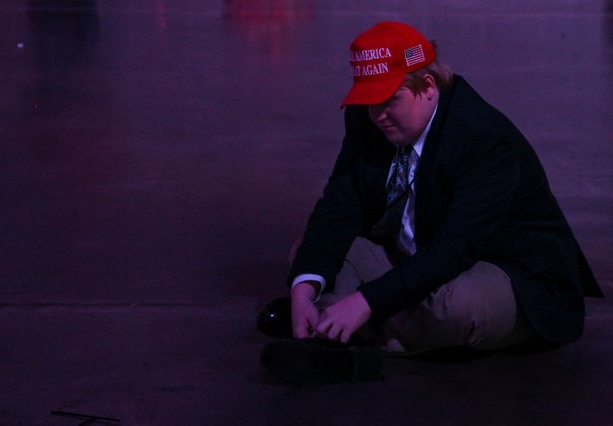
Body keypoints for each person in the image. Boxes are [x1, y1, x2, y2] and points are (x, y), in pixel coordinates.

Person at [258, 21, 603, 385]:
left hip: (503, 272)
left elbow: (455, 249)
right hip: (419, 258)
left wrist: (366, 303)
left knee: (456, 307)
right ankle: (333, 323)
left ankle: (338, 330)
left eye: (389, 100)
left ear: (427, 87)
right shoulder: (368, 119)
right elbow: (337, 209)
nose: (378, 116)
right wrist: (301, 293)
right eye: (368, 102)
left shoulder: (481, 137)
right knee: (309, 258)